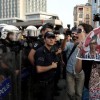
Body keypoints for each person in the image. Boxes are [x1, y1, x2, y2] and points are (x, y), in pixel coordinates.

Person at [34, 31, 58, 100]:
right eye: (49, 38)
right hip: (43, 85)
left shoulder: (51, 50)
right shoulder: (40, 51)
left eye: (53, 38)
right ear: (44, 40)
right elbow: (39, 69)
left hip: (50, 83)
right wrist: (52, 66)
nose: (51, 40)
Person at [61, 30, 84, 100]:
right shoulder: (68, 44)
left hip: (80, 72)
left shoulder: (83, 43)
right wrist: (65, 38)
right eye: (73, 33)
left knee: (79, 93)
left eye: (76, 33)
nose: (74, 35)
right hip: (70, 71)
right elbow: (62, 48)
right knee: (71, 92)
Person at [75, 23, 94, 100]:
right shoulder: (82, 49)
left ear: (88, 34)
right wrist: (80, 51)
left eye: (79, 30)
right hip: (87, 87)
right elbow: (77, 70)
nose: (76, 33)